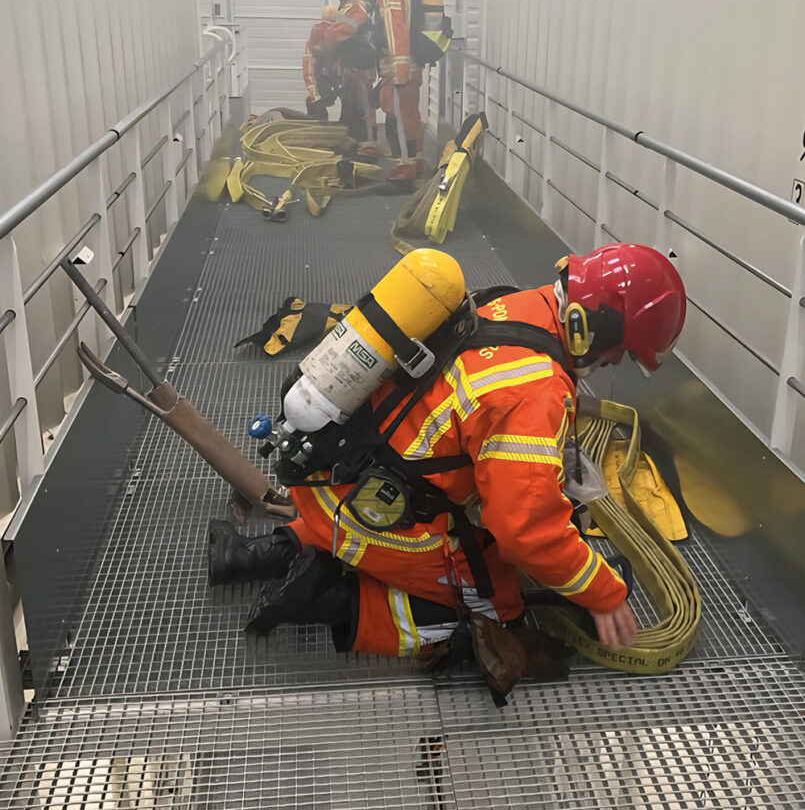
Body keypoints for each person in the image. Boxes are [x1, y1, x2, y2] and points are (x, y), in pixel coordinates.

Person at [209, 244, 686, 673]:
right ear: (593, 331)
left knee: (387, 519)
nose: (614, 364)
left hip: (328, 478)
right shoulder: (534, 391)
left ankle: (248, 556)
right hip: (371, 510)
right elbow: (526, 535)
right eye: (620, 353)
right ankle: (326, 598)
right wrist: (603, 594)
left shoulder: (518, 304)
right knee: (494, 601)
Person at [357, 0, 423, 178]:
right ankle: (416, 162)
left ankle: (405, 169)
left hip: (397, 68)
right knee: (410, 115)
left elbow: (396, 32)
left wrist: (399, 73)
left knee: (398, 118)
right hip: (411, 64)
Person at [318, 0, 377, 142]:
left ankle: (366, 147)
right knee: (352, 112)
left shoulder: (355, 5)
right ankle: (356, 144)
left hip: (359, 68)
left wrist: (324, 45)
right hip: (355, 67)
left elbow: (340, 32)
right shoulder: (358, 0)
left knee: (361, 112)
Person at [302, 6, 340, 121]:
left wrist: (313, 93)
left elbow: (308, 67)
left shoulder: (313, 37)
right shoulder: (339, 33)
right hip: (332, 78)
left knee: (315, 101)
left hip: (321, 78)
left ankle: (318, 120)